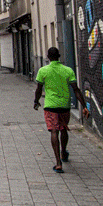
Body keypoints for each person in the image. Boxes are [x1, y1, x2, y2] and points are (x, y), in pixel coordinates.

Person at [34, 46, 91, 174]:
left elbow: (38, 89)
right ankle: (64, 152)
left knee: (54, 131)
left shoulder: (43, 71)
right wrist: (84, 106)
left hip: (50, 106)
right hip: (65, 105)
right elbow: (76, 89)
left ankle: (58, 162)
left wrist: (36, 101)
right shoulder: (68, 70)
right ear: (59, 56)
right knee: (64, 128)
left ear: (48, 57)